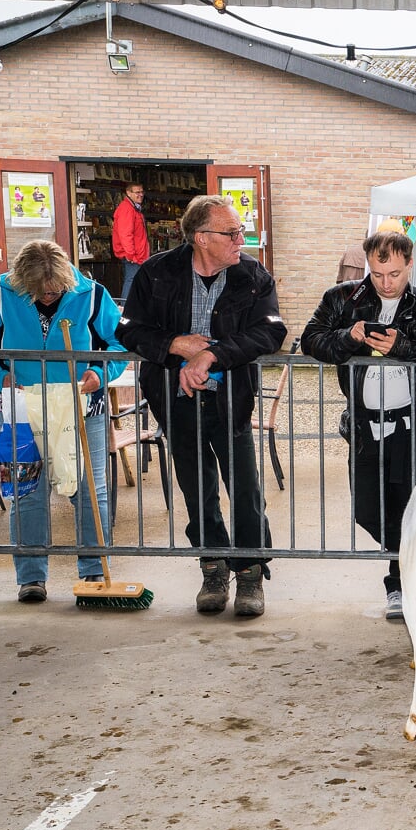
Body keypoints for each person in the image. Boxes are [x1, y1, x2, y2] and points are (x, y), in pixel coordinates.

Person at [117, 194, 287, 618]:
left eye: (240, 231)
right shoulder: (156, 273)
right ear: (201, 238)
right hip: (175, 402)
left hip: (232, 401)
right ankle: (212, 567)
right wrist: (175, 345)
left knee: (246, 490)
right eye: (231, 232)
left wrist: (211, 356)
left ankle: (249, 571)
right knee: (197, 490)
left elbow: (271, 333)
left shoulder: (252, 276)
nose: (240, 239)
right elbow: (127, 329)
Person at [301, 231, 416, 621]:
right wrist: (348, 337)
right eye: (377, 274)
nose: (386, 282)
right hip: (364, 428)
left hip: (411, 428)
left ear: (410, 264)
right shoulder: (343, 298)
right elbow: (310, 339)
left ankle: (401, 582)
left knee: (411, 509)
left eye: (394, 273)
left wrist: (403, 347)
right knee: (367, 510)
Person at [0, 240, 127, 603]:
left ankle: (95, 571)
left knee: (89, 489)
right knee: (27, 490)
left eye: (55, 290)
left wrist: (101, 372)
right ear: (21, 281)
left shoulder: (93, 294)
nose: (49, 296)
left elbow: (119, 344)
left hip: (83, 403)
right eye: (40, 291)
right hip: (21, 405)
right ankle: (31, 577)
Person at [112, 182, 149, 301]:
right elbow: (125, 234)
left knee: (135, 281)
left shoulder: (133, 209)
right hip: (134, 256)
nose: (140, 195)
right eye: (137, 192)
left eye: (142, 192)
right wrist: (131, 255)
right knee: (131, 280)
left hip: (138, 255)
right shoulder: (127, 209)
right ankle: (125, 310)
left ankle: (131, 310)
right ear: (128, 193)